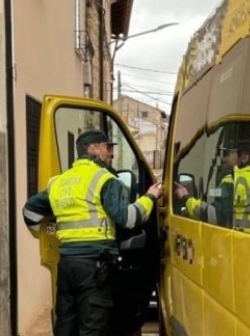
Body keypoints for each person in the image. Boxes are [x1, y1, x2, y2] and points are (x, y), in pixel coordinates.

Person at [23, 129, 163, 336]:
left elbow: (30, 213)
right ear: (93, 148)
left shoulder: (59, 182)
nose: (111, 154)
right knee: (92, 328)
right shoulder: (105, 180)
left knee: (66, 327)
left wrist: (47, 234)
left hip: (67, 266)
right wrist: (150, 197)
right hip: (95, 268)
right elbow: (128, 218)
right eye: (107, 148)